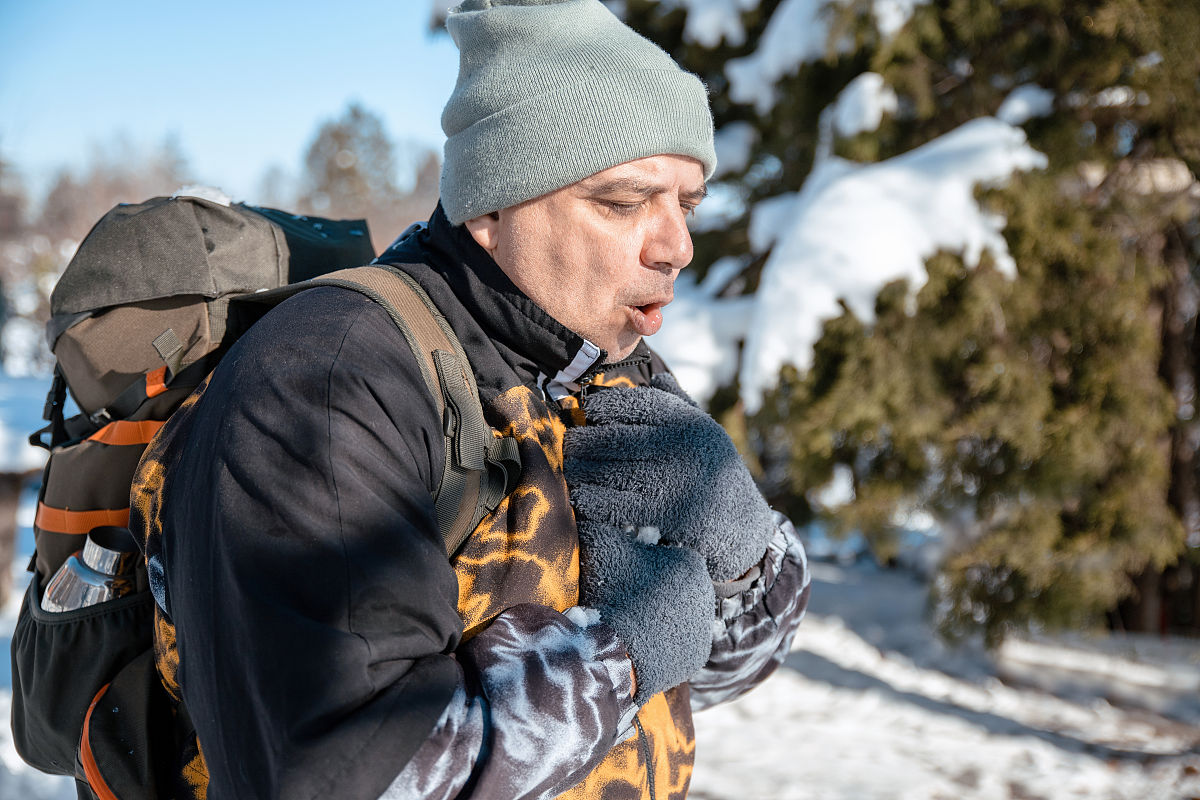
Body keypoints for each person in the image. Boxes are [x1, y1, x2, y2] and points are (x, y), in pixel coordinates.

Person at [132, 1, 810, 798]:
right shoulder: (327, 382)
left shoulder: (611, 366)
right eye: (625, 201)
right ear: (493, 205)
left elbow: (717, 673)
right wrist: (618, 659)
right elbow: (343, 771)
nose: (678, 247)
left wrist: (741, 559)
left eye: (686, 203)